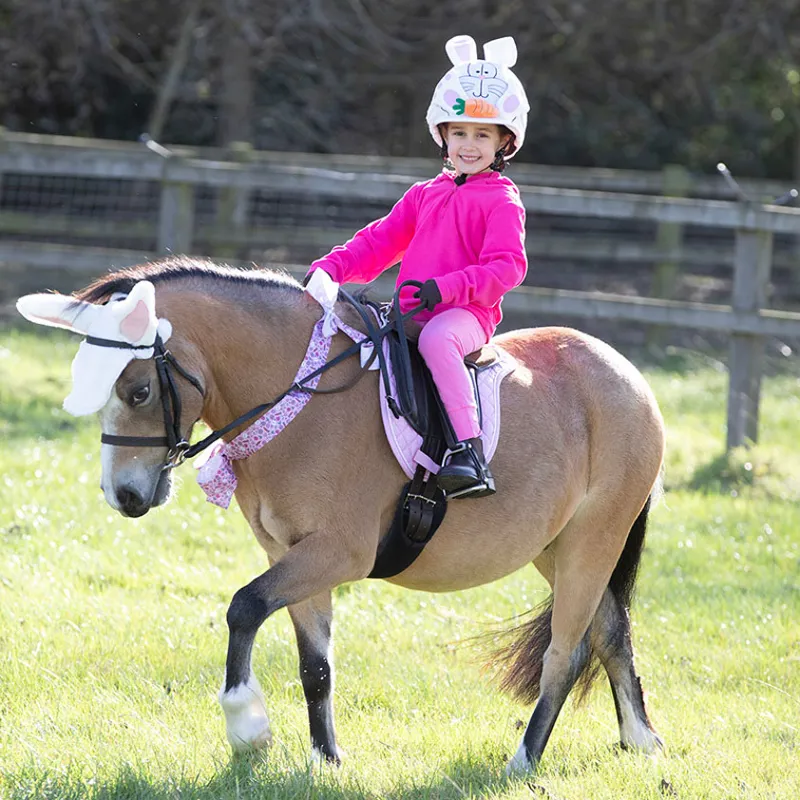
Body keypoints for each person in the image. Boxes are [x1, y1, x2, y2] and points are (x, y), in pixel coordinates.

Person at [304, 34, 529, 498]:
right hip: (410, 310)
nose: (469, 145)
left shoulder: (502, 201)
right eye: (459, 133)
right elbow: (379, 242)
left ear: (504, 141)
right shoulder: (424, 194)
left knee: (437, 339)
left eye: (482, 135)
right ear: (443, 135)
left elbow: (507, 268)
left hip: (466, 315)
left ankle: (468, 452)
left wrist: (446, 289)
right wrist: (330, 268)